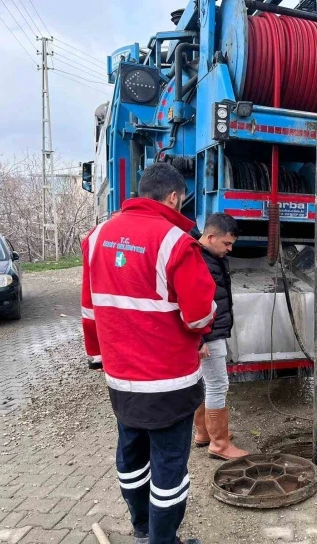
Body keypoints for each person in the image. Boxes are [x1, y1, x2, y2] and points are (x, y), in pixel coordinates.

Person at [81, 162, 216, 544]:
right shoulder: (175, 242)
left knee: (131, 455)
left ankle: (141, 529)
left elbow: (89, 309)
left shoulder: (97, 237)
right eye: (182, 201)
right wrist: (209, 323)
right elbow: (198, 315)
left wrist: (98, 356)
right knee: (169, 464)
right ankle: (162, 540)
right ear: (173, 196)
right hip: (169, 381)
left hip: (121, 378)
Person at [192, 212, 250, 460]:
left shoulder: (207, 256)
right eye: (226, 243)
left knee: (205, 383)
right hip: (209, 333)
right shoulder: (198, 261)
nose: (229, 249)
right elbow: (189, 301)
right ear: (211, 236)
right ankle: (220, 444)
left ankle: (204, 433)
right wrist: (201, 339)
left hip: (210, 331)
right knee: (217, 385)